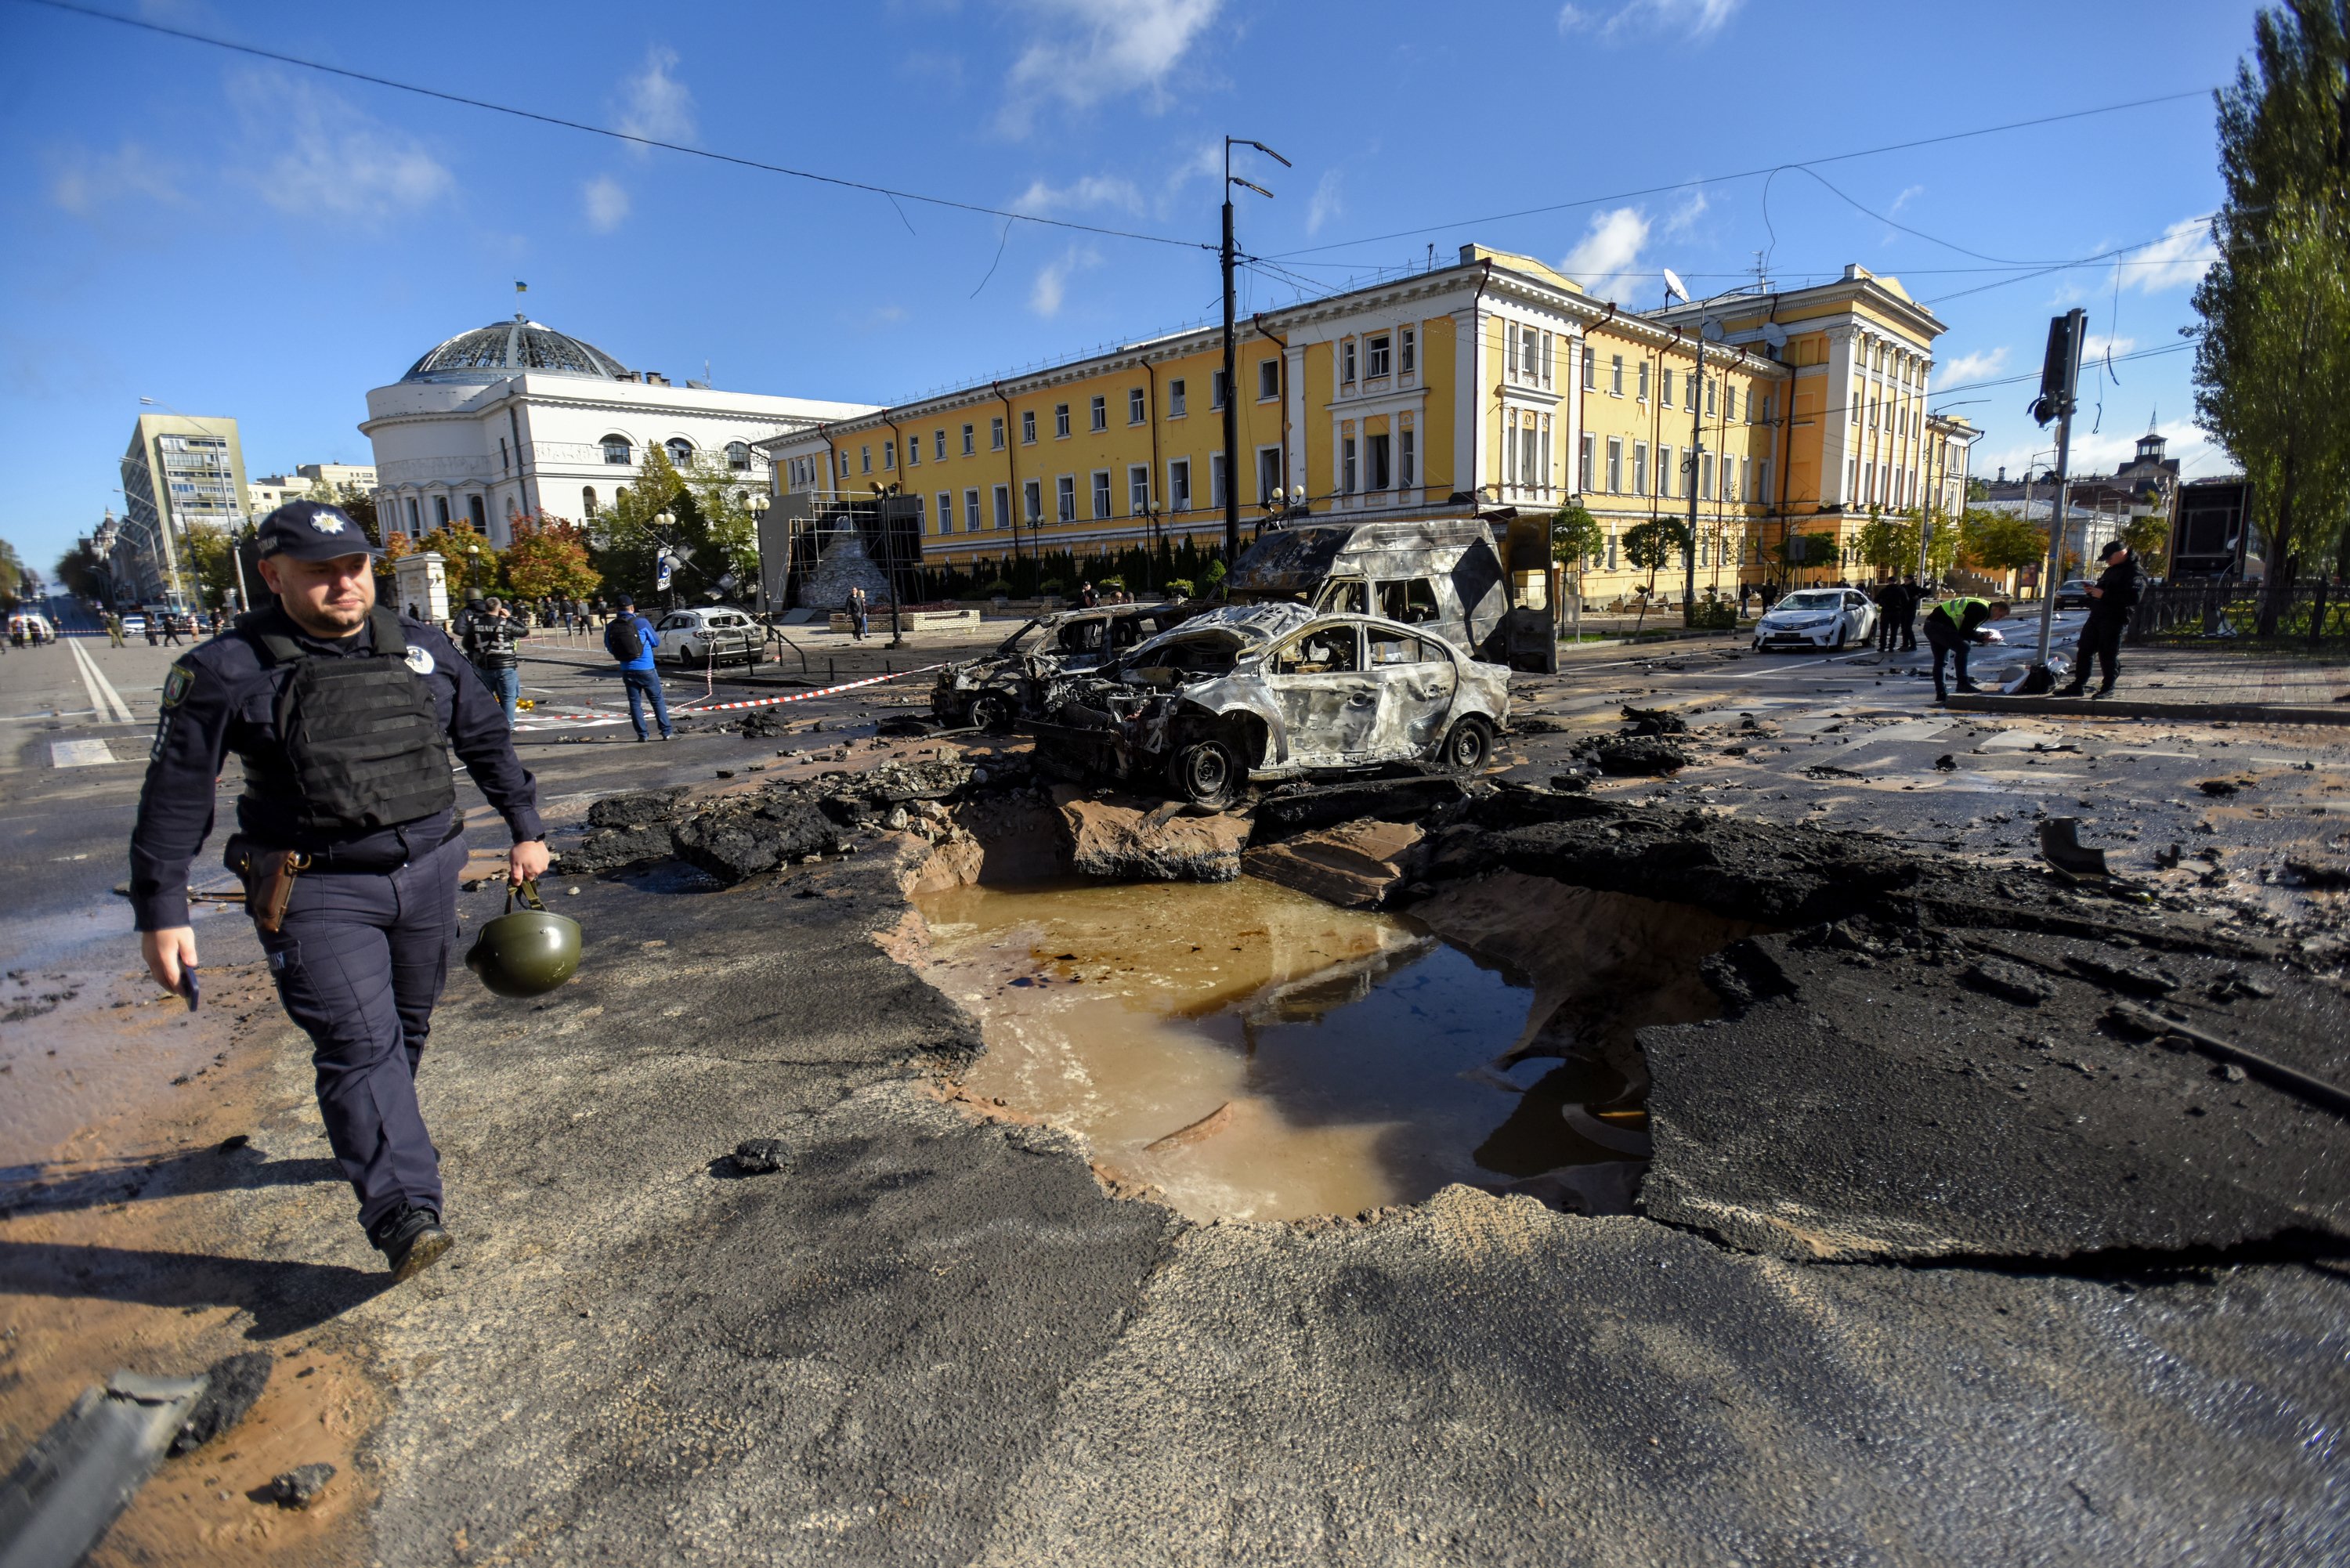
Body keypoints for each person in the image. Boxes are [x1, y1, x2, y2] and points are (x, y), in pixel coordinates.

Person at [128, 500, 548, 1284]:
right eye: (318, 572)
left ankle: (379, 1135)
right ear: (272, 575)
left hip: (428, 873)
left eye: (353, 567)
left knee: (407, 1026)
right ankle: (403, 1210)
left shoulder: (421, 648)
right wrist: (162, 907)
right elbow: (178, 790)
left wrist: (525, 826)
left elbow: (486, 738)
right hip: (315, 887)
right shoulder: (226, 668)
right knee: (359, 1043)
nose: (342, 584)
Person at [2059, 540, 2144, 698]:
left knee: (2108, 653)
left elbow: (2133, 598)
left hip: (2115, 618)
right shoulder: (2111, 570)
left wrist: (2104, 595)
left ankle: (2108, 687)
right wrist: (2092, 592)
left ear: (2121, 553)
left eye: (2109, 558)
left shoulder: (2135, 572)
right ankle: (2079, 685)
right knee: (2085, 649)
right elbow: (2103, 590)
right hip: (2097, 615)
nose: (2107, 561)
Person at [605, 591, 671, 741]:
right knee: (656, 700)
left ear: (616, 610)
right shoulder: (642, 623)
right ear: (632, 608)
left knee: (635, 703)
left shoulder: (611, 626)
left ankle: (643, 735)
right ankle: (666, 732)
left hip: (627, 669)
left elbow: (609, 647)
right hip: (646, 667)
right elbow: (656, 642)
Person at [1923, 594, 2010, 703]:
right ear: (1997, 608)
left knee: (1941, 661)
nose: (1998, 619)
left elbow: (1966, 631)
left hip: (1932, 625)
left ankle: (1941, 694)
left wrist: (1981, 638)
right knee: (1964, 648)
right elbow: (1965, 631)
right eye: (2000, 616)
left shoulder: (1983, 606)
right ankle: (1962, 684)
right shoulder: (1982, 610)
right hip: (1939, 627)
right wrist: (1982, 637)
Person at [462, 594, 529, 726]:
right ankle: (508, 726)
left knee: (486, 698)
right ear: (500, 608)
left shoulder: (475, 624)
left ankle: (490, 724)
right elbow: (524, 631)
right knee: (509, 698)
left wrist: (478, 653)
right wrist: (510, 617)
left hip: (483, 665)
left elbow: (466, 644)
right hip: (506, 666)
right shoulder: (506, 623)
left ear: (485, 607)